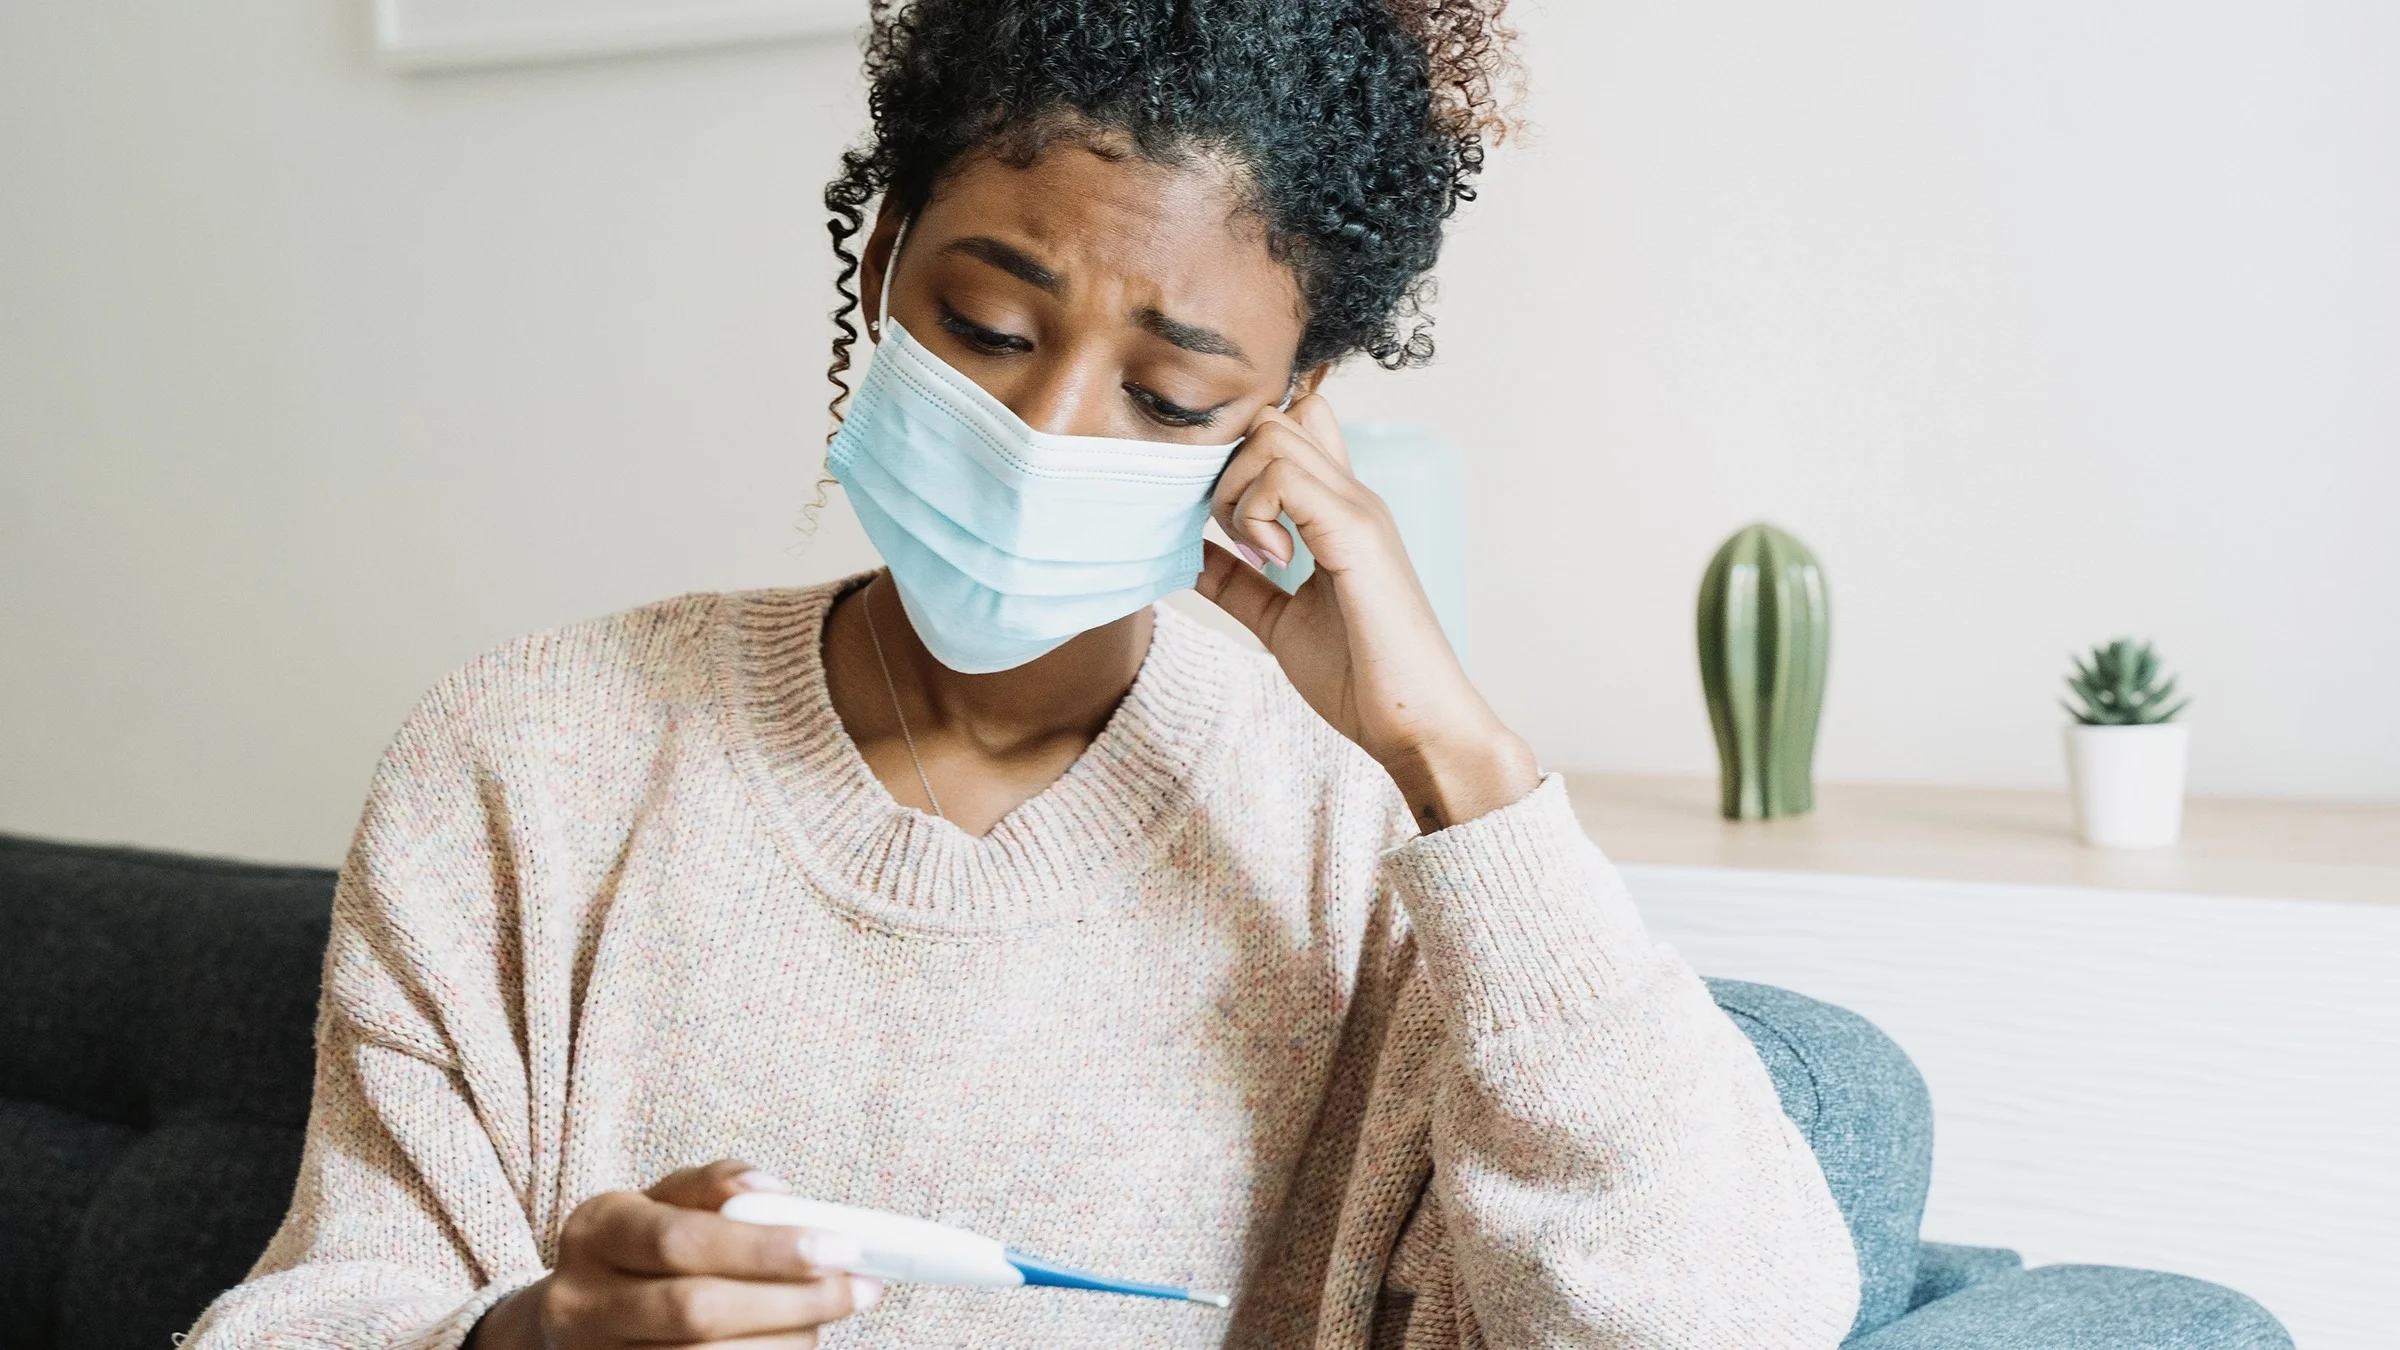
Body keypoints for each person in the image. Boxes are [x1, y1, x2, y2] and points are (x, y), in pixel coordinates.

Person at [185, 0, 1860, 1345]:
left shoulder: (1373, 851)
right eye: (989, 326)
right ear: (882, 263)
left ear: (1291, 410)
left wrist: (1462, 765)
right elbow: (315, 1310)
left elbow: (1728, 1322)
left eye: (1170, 394)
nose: (1044, 429)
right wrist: (525, 1337)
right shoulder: (524, 758)